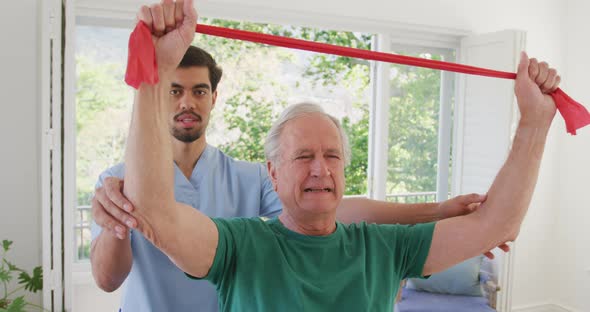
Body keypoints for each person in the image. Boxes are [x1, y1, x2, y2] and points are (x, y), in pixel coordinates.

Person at [117, 0, 560, 311]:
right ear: (271, 173)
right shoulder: (239, 245)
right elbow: (155, 212)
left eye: (332, 156)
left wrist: (535, 123)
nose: (320, 168)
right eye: (303, 156)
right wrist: (153, 76)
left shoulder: (384, 248)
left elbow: (496, 223)